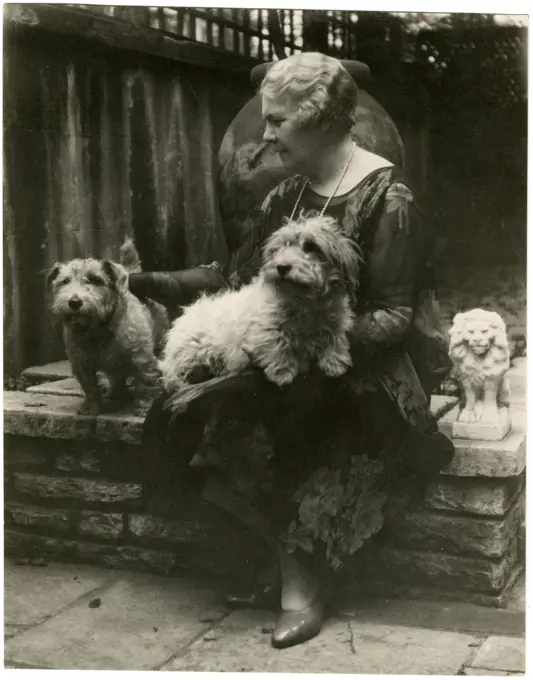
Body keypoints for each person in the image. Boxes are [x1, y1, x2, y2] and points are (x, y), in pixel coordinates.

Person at [142, 52, 454, 650]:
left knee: (302, 415)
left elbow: (393, 316)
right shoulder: (282, 194)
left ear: (320, 123)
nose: (265, 134)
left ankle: (301, 583)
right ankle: (283, 557)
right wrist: (151, 283)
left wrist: (315, 346)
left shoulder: (391, 197)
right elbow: (236, 279)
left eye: (278, 121)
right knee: (189, 411)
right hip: (283, 350)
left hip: (361, 367)